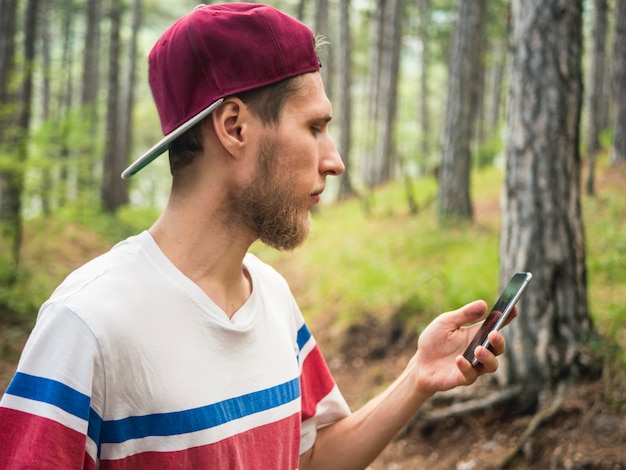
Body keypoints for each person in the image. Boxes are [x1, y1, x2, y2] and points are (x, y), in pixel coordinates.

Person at [0, 4, 512, 469]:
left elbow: (312, 458)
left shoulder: (271, 298)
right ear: (234, 128)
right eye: (314, 127)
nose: (334, 161)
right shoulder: (87, 324)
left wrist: (417, 378)